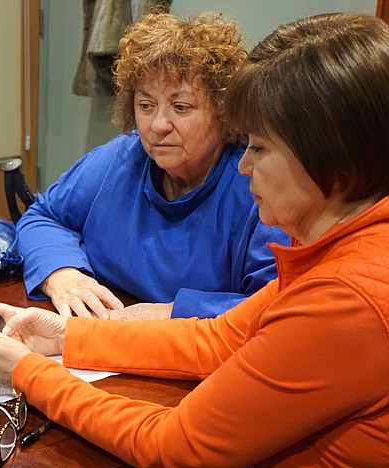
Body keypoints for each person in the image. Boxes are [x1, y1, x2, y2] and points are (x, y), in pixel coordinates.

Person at [0, 12, 389, 468]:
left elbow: (174, 447)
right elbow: (218, 340)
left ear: (336, 163)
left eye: (259, 147)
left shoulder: (352, 298)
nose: (245, 166)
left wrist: (23, 372)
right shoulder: (368, 239)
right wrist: (62, 336)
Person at [16, 11, 288, 321]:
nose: (157, 125)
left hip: (196, 354)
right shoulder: (123, 156)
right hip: (95, 333)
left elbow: (276, 305)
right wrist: (63, 275)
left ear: (223, 112)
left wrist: (171, 314)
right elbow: (43, 217)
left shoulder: (255, 185)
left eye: (181, 107)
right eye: (146, 105)